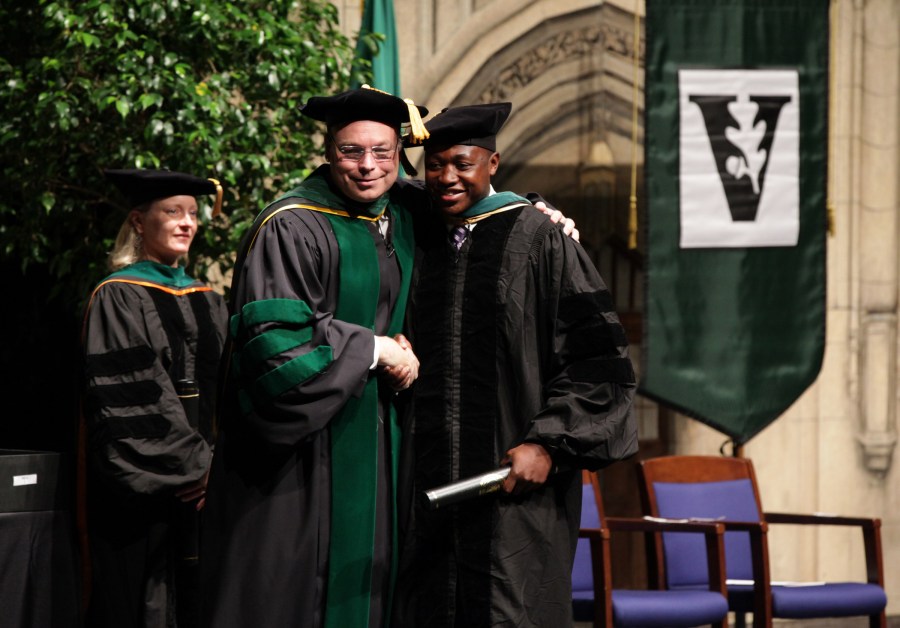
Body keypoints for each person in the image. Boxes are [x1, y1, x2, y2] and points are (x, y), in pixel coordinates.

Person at [392, 102, 639, 627]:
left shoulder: (541, 239)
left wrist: (549, 444)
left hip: (516, 484)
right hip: (426, 490)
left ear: (493, 163)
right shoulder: (418, 233)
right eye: (434, 165)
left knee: (511, 610)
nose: (446, 177)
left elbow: (599, 364)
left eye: (462, 163)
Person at [200, 87, 425, 628]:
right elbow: (277, 343)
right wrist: (375, 348)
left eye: (382, 152)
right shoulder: (292, 225)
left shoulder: (404, 213)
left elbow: (471, 197)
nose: (367, 166)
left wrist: (536, 208)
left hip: (382, 439)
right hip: (302, 458)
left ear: (399, 154)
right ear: (328, 152)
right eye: (351, 151)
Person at [80, 169, 228, 628]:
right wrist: (199, 466)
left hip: (207, 490)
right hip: (144, 495)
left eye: (192, 214)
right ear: (140, 222)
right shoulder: (117, 295)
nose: (187, 223)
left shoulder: (211, 298)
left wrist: (219, 464)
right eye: (172, 212)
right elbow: (133, 396)